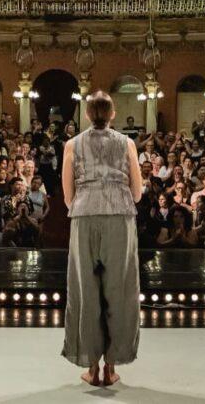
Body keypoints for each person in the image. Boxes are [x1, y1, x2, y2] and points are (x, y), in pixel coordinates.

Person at [61, 91, 143, 388]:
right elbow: (137, 192)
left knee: (86, 290)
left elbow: (67, 194)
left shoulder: (73, 144)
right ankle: (111, 368)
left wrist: (85, 203)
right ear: (113, 114)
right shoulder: (127, 143)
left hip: (84, 216)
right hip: (120, 215)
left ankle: (91, 367)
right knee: (119, 290)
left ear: (86, 114)